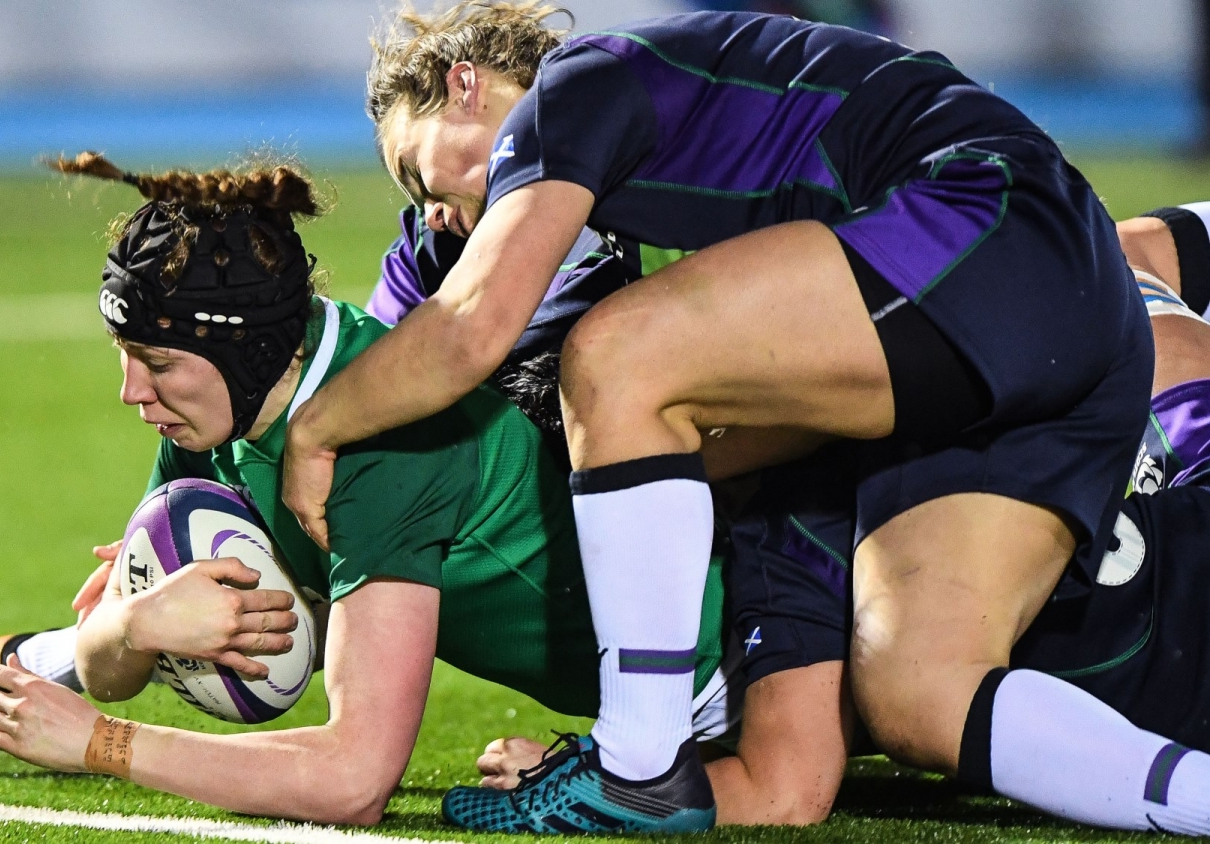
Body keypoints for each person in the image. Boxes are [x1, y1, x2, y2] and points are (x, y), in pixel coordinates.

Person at [277, 1, 1152, 833]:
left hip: (990, 219)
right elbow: (407, 347)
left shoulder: (571, 94)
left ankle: (637, 762)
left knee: (617, 355)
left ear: (466, 84)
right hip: (1007, 362)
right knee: (916, 700)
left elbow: (466, 329)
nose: (425, 206)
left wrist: (315, 430)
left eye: (414, 169)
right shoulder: (476, 241)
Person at [0, 152, 731, 824]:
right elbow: (115, 663)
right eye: (124, 353)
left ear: (245, 352)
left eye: (159, 363)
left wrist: (104, 745)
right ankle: (25, 661)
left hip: (731, 684)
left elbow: (355, 780)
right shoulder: (226, 414)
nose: (132, 391)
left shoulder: (379, 438)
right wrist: (132, 623)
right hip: (654, 715)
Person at [475, 202, 1210, 832]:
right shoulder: (919, 359)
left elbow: (784, 788)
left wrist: (589, 778)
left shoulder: (787, 525)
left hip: (1172, 651)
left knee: (918, 692)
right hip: (1175, 572)